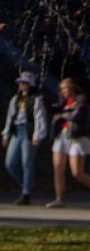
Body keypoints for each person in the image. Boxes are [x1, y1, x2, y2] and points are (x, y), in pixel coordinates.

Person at [46, 78, 90, 209]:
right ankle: (59, 198)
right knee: (58, 168)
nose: (64, 92)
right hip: (62, 135)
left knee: (77, 172)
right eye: (62, 89)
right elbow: (53, 110)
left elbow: (76, 116)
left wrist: (63, 114)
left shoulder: (80, 100)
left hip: (76, 136)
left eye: (66, 88)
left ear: (72, 88)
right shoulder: (63, 102)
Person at [2, 71, 48, 206]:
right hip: (17, 131)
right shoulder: (15, 99)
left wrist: (37, 135)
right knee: (10, 163)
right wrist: (6, 134)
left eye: (25, 83)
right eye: (21, 83)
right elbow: (10, 117)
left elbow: (39, 118)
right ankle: (26, 184)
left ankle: (26, 193)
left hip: (29, 131)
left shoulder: (36, 99)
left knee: (27, 163)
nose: (22, 85)